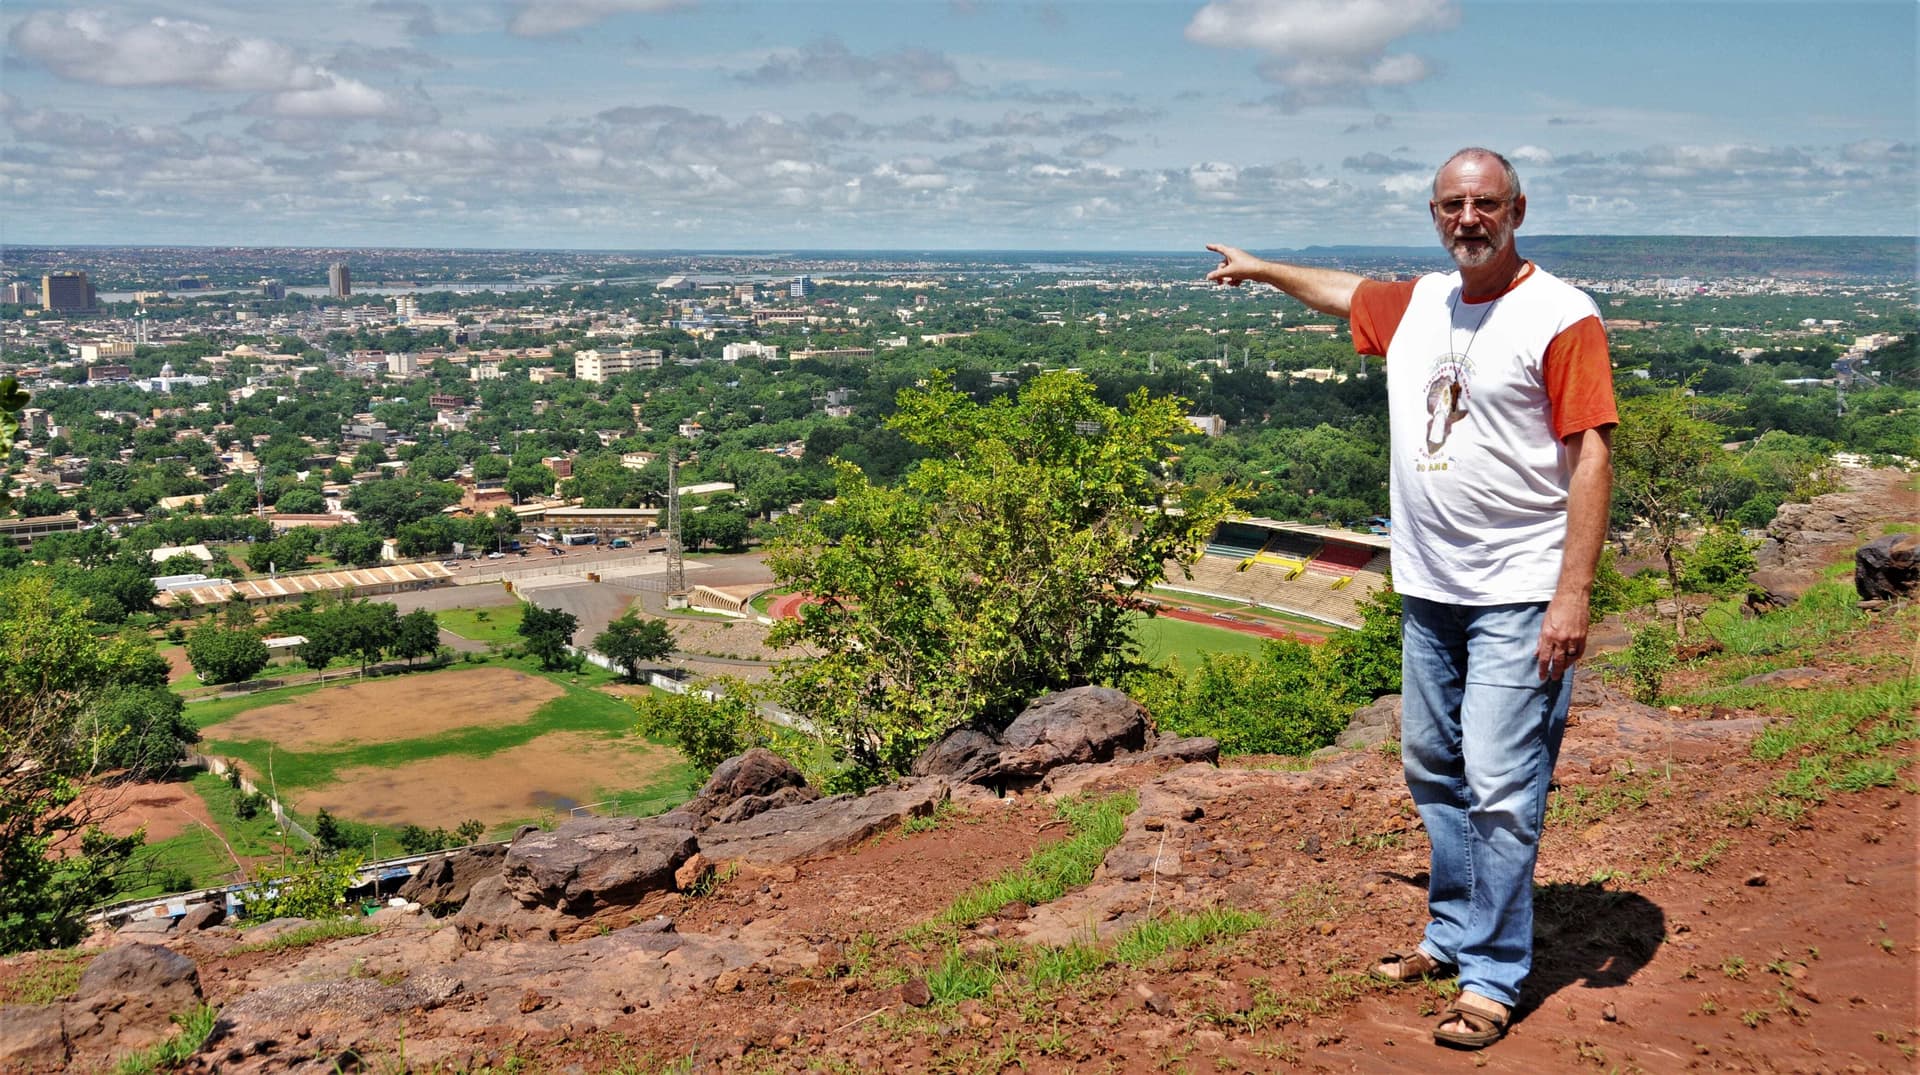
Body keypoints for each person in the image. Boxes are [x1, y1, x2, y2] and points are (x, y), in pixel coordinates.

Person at [1205, 147, 1617, 1050]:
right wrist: (1264, 268)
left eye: (1486, 203)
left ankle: (1491, 976)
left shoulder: (1561, 314)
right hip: (1429, 588)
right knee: (1434, 767)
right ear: (1434, 214)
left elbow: (1592, 453)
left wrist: (1573, 593)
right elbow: (1344, 293)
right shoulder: (1425, 301)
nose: (1469, 218)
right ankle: (1453, 930)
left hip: (1518, 591)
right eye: (1452, 205)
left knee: (1501, 787)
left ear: (1517, 210)